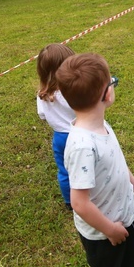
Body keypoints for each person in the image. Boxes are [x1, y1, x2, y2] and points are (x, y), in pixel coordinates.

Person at [58, 53, 134, 267]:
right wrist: (110, 230)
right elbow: (79, 203)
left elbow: (117, 166)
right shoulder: (82, 146)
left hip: (128, 217)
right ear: (106, 94)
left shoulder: (102, 126)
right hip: (101, 236)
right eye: (111, 81)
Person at [36, 43, 76, 209]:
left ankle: (69, 202)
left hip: (59, 138)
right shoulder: (72, 90)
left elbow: (42, 115)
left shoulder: (42, 94)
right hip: (78, 134)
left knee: (64, 170)